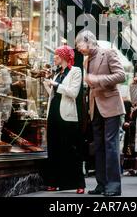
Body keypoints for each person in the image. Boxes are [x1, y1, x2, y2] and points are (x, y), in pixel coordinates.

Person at [75, 30, 125, 197]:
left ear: (88, 41)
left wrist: (98, 80)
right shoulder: (86, 60)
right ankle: (101, 184)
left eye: (79, 45)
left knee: (111, 146)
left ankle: (114, 186)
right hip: (94, 107)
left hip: (111, 105)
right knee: (98, 147)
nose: (78, 49)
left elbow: (121, 76)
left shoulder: (109, 52)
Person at [44, 45, 85, 194]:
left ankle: (78, 183)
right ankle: (54, 182)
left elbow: (73, 93)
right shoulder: (57, 73)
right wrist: (48, 85)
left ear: (64, 57)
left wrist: (56, 84)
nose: (54, 57)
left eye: (56, 55)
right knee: (54, 149)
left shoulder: (76, 71)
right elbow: (54, 95)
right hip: (53, 113)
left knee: (70, 149)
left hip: (67, 116)